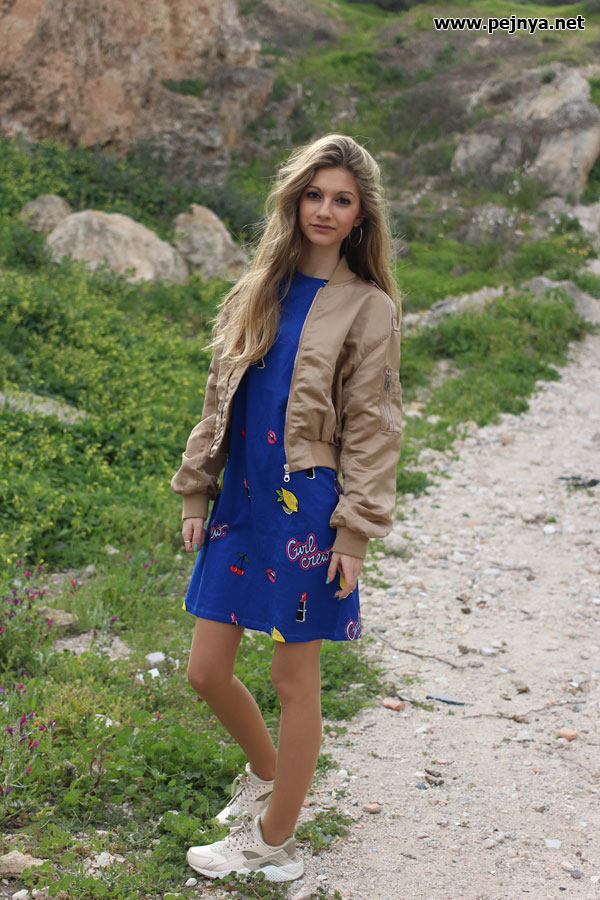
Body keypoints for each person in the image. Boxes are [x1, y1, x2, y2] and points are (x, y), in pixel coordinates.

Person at [170, 133, 403, 883]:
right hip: (241, 499)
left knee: (293, 680)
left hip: (308, 510)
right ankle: (271, 777)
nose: (325, 210)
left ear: (361, 215)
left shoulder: (369, 307)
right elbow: (218, 397)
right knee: (206, 670)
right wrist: (197, 485)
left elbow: (374, 426)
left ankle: (272, 840)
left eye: (343, 199)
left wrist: (355, 533)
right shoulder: (257, 289)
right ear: (294, 200)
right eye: (314, 194)